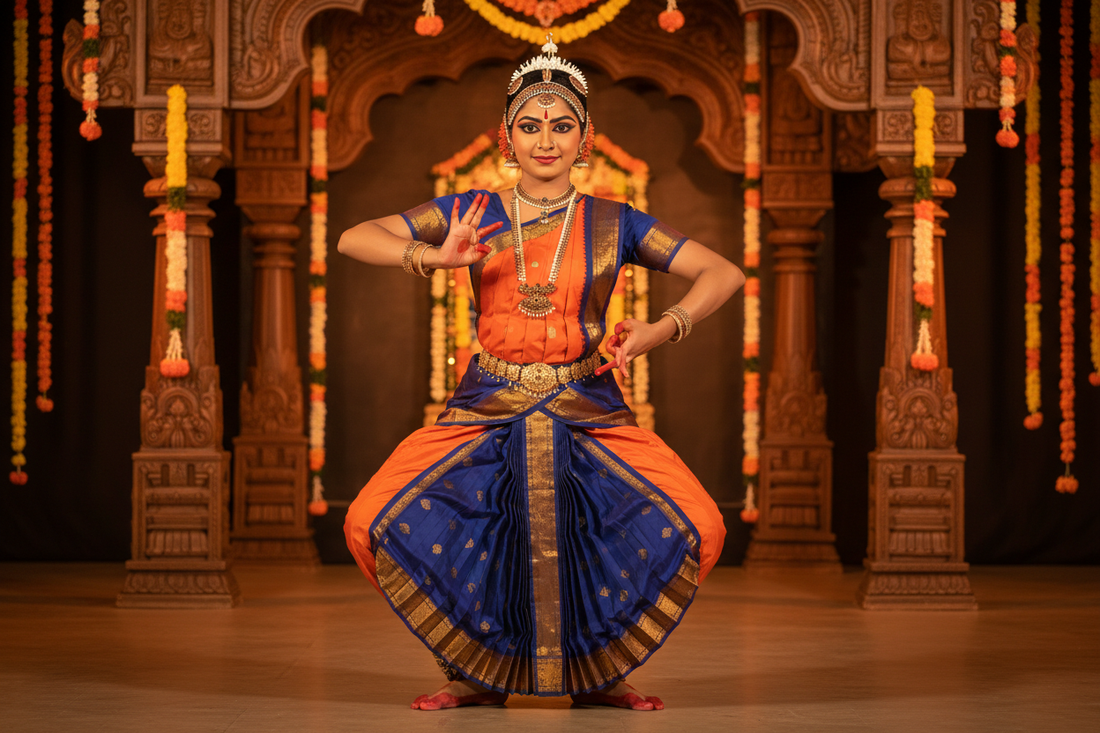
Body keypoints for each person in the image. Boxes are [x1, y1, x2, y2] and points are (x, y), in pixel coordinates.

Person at [340, 38, 744, 711]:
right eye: (531, 125)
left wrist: (657, 328)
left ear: (585, 138)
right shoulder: (474, 210)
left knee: (697, 524)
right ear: (507, 135)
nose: (545, 140)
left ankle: (601, 672)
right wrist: (434, 257)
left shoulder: (615, 223)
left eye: (561, 126)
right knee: (373, 520)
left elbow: (722, 272)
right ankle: (473, 672)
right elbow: (356, 236)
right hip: (488, 401)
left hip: (587, 402)